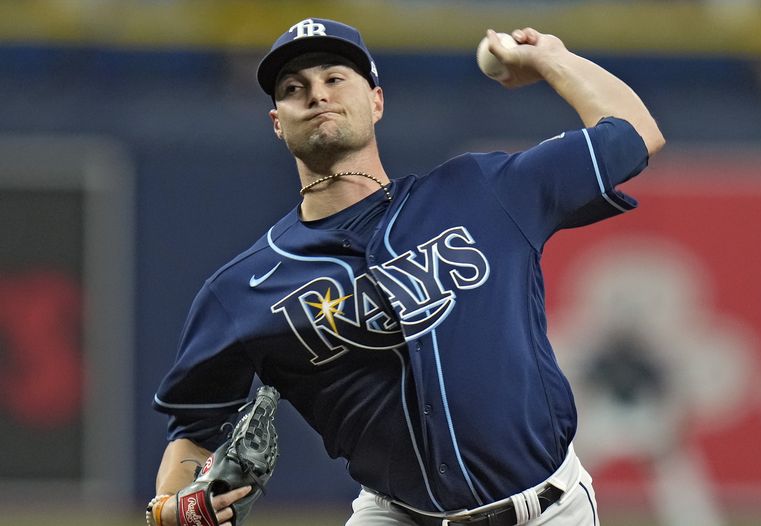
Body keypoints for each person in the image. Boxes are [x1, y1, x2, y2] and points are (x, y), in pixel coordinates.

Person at [151, 17, 664, 526]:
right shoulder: (242, 290)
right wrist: (172, 508)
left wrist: (552, 59)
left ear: (376, 100)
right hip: (398, 516)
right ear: (277, 122)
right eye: (294, 88)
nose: (316, 94)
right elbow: (193, 433)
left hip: (549, 509)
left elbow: (636, 134)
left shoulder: (481, 190)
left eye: (335, 78)